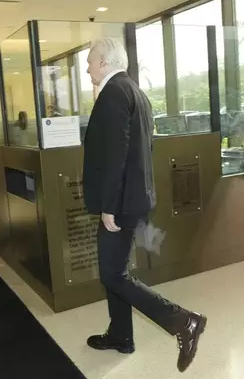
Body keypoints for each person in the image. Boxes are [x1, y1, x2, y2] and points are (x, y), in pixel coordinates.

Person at [81, 38, 207, 373]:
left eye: (91, 61)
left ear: (105, 62)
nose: (87, 67)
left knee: (113, 274)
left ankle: (183, 321)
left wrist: (109, 205)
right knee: (114, 273)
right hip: (130, 199)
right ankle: (121, 335)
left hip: (119, 203)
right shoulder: (133, 90)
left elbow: (116, 156)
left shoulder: (112, 94)